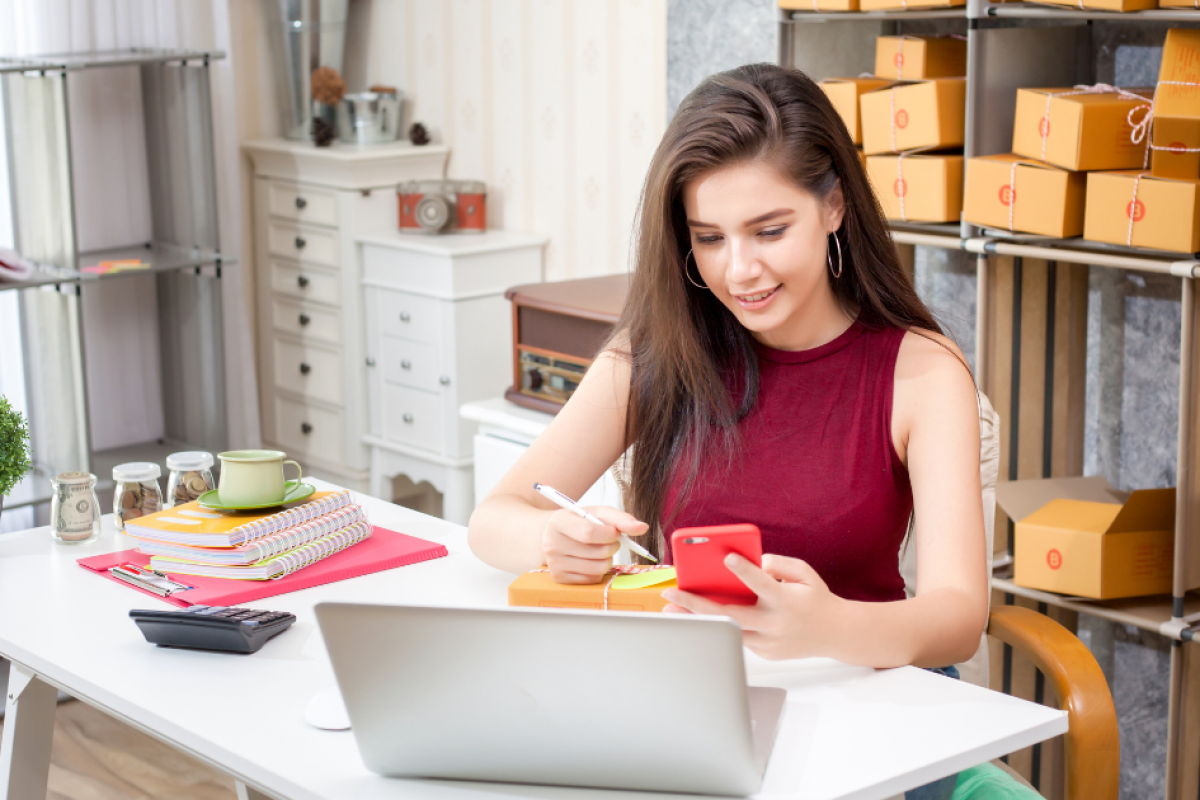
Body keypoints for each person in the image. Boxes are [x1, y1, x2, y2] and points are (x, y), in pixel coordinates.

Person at [468, 63, 986, 674]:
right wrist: (551, 540)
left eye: (769, 231)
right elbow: (493, 518)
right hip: (697, 689)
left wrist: (826, 626)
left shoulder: (922, 372)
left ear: (834, 207)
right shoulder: (658, 354)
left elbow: (959, 619)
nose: (739, 270)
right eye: (709, 239)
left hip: (863, 696)